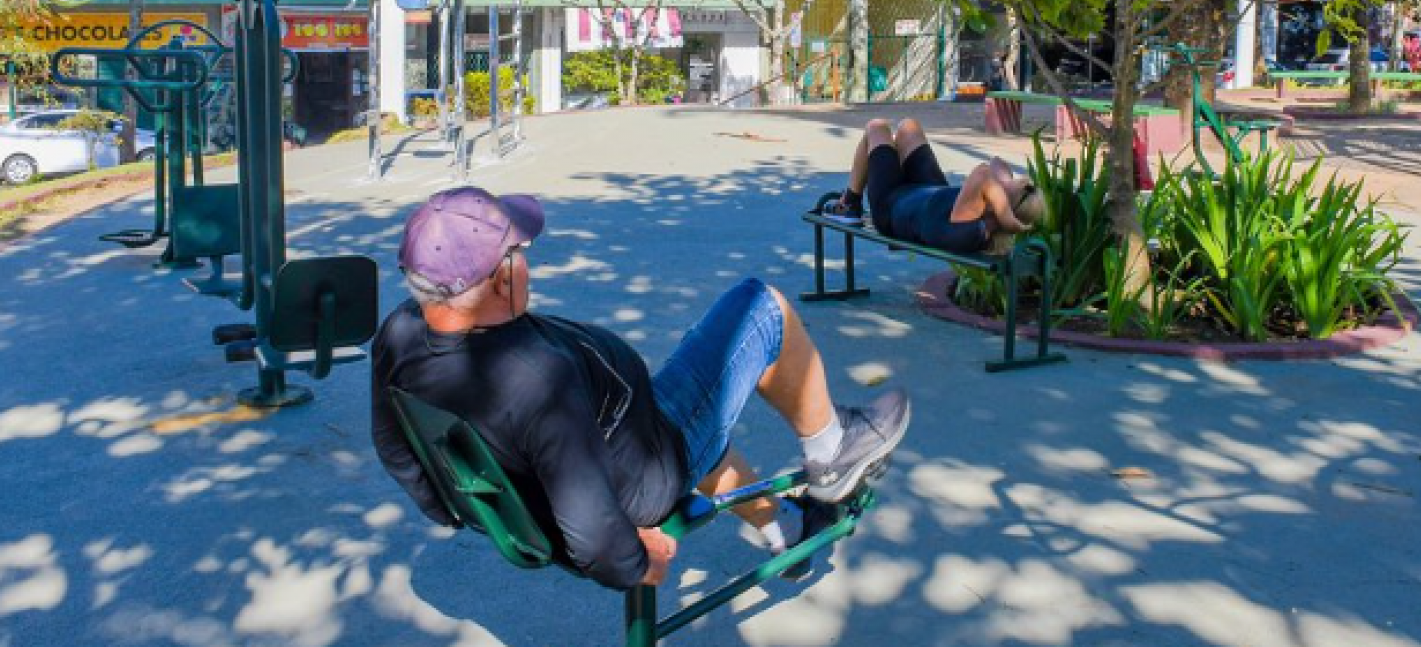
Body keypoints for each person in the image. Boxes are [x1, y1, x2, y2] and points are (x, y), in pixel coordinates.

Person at [371, 186, 911, 592]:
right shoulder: (537, 383)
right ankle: (831, 450)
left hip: (613, 435)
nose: (528, 264)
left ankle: (785, 534)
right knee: (760, 307)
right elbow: (590, 528)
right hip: (646, 465)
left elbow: (394, 443)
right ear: (501, 279)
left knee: (704, 417)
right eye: (520, 252)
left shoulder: (399, 333)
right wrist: (635, 562)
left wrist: (442, 504)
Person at [821, 117, 1046, 254]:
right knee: (909, 127)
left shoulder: (972, 229)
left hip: (892, 204)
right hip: (929, 190)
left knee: (877, 128)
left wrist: (1006, 216)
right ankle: (881, 168)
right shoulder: (982, 204)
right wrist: (1007, 195)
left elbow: (984, 172)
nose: (1012, 182)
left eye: (1015, 189)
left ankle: (850, 203)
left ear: (1003, 207)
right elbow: (997, 163)